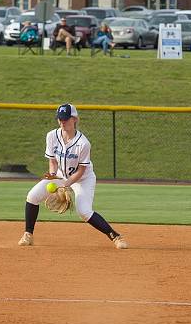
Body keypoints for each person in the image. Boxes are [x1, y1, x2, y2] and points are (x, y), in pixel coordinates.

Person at [18, 104, 128, 250]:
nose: (62, 122)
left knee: (84, 211)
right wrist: (52, 175)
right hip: (60, 175)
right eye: (60, 119)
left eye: (65, 119)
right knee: (32, 196)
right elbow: (52, 161)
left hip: (83, 179)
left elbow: (81, 170)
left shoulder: (83, 143)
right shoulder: (52, 136)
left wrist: (66, 185)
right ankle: (28, 234)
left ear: (74, 119)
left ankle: (115, 236)